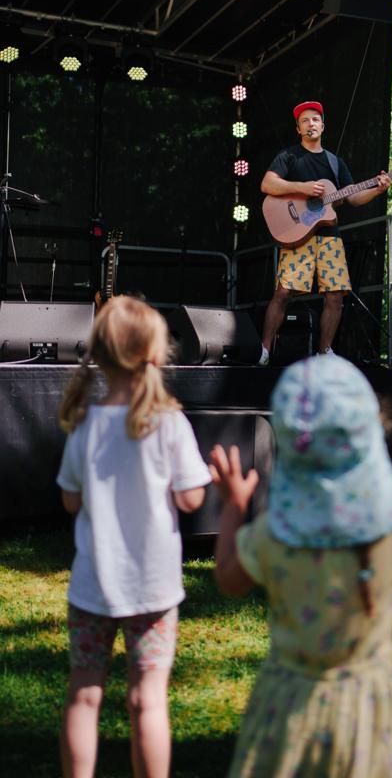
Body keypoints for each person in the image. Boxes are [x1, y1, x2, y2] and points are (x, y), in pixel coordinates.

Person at [209, 354, 392, 777]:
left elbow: (227, 579)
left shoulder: (276, 533)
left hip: (287, 702)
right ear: (370, 430)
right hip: (366, 706)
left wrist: (234, 506)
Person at [56, 296, 212, 778]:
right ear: (156, 354)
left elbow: (70, 502)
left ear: (99, 354)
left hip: (91, 589)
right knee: (149, 699)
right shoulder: (170, 423)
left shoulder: (84, 426)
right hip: (153, 591)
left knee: (84, 693)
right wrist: (207, 477)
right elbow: (191, 501)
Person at [259, 100, 392, 364]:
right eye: (305, 121)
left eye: (315, 119)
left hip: (330, 236)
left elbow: (353, 198)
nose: (311, 124)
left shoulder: (334, 162)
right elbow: (267, 184)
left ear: (323, 126)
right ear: (298, 128)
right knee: (284, 292)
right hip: (297, 235)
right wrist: (304, 188)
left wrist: (378, 188)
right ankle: (264, 349)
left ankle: (325, 352)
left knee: (335, 295)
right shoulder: (289, 156)